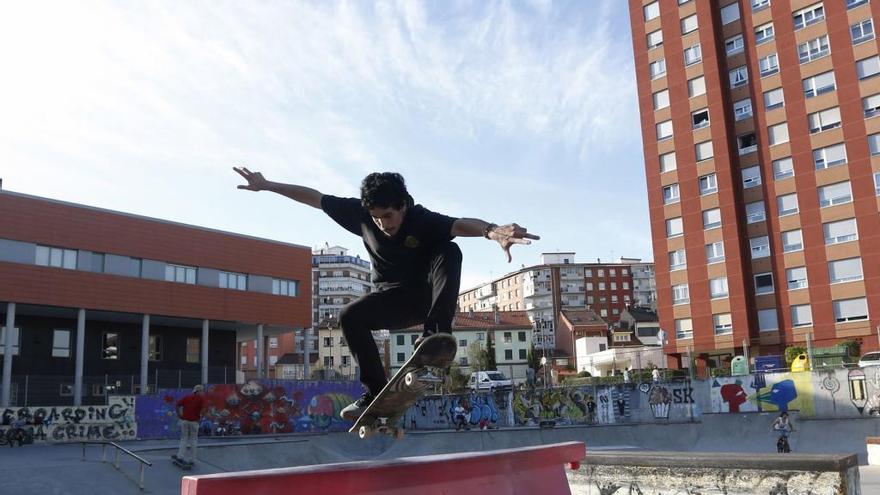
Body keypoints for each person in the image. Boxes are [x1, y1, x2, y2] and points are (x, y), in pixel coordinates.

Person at [234, 167, 539, 419]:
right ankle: (376, 393)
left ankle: (435, 336)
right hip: (392, 301)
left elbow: (459, 224)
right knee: (349, 315)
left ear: (403, 206)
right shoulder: (361, 214)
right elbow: (315, 198)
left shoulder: (422, 219)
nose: (383, 224)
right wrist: (267, 185)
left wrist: (491, 230)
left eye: (389, 216)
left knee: (450, 249)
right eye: (377, 217)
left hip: (426, 297)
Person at [174, 384, 207, 466]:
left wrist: (179, 415)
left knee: (184, 439)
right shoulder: (201, 399)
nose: (203, 393)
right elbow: (204, 409)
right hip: (194, 422)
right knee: (193, 440)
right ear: (198, 391)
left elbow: (177, 404)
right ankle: (192, 459)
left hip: (185, 421)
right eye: (202, 391)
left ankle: (180, 456)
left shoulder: (187, 397)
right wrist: (200, 417)